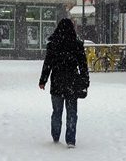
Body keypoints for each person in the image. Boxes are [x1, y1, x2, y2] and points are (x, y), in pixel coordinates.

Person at [38, 18, 89, 148]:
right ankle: (70, 139)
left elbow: (48, 64)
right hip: (72, 82)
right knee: (72, 112)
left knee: (57, 111)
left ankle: (55, 135)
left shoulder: (53, 44)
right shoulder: (77, 45)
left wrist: (43, 80)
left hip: (57, 81)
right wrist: (85, 80)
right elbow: (83, 65)